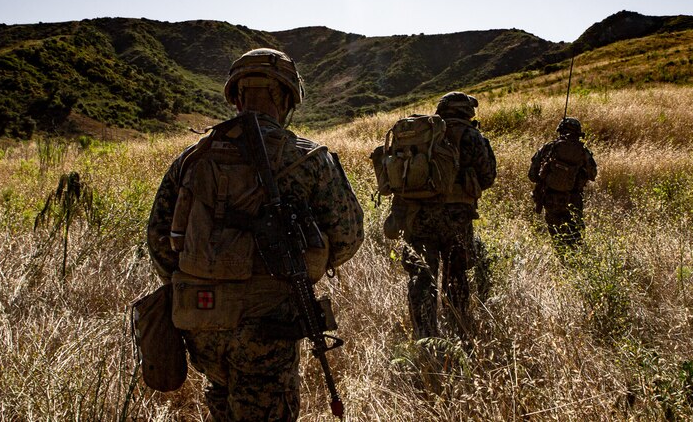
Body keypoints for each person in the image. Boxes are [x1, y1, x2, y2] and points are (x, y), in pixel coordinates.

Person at [146, 48, 364, 421]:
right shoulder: (309, 159)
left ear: (236, 96)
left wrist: (198, 283)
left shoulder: (192, 158)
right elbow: (348, 236)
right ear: (286, 96)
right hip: (268, 326)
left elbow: (159, 240)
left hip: (201, 324)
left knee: (221, 401)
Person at [390, 92, 496, 340]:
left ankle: (425, 335)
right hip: (456, 219)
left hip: (418, 217)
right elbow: (488, 177)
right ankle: (458, 329)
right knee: (456, 276)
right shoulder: (471, 136)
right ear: (467, 112)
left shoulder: (422, 134)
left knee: (421, 277)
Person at [528, 117, 597, 249]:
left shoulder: (548, 148)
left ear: (561, 131)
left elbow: (532, 175)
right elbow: (593, 174)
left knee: (556, 236)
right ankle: (576, 259)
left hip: (550, 199)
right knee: (575, 236)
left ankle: (561, 260)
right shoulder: (583, 151)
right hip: (574, 198)